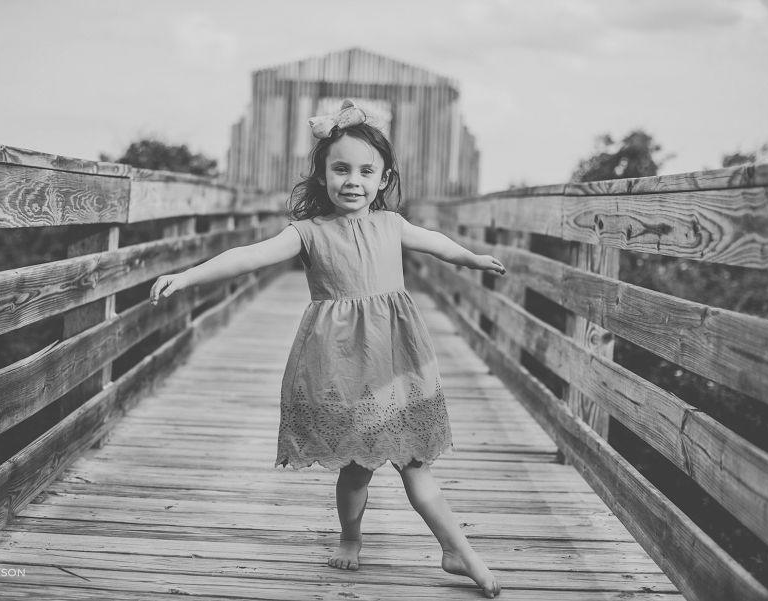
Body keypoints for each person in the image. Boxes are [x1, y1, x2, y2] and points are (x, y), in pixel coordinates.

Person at [150, 100, 506, 598]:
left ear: (384, 179)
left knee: (415, 464)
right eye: (340, 169)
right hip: (344, 365)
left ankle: (459, 552)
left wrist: (471, 258)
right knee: (357, 467)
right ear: (322, 176)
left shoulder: (392, 224)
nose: (353, 180)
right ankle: (351, 536)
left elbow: (438, 242)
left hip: (398, 361)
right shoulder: (308, 234)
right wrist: (187, 275)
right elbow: (248, 255)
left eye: (366, 170)